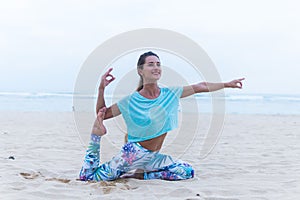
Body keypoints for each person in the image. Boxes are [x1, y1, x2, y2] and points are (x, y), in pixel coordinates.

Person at [79, 51, 244, 181]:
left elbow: (200, 86)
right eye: (151, 64)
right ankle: (95, 137)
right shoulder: (131, 100)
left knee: (187, 171)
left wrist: (227, 84)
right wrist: (101, 89)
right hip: (133, 155)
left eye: (158, 64)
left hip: (152, 157)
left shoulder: (170, 93)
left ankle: (139, 175)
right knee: (89, 178)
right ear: (140, 70)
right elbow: (102, 113)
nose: (156, 67)